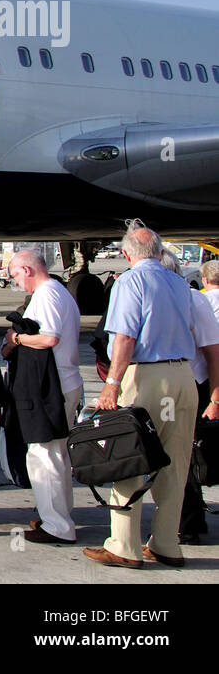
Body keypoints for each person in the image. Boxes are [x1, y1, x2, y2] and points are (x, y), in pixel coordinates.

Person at [83, 226, 219, 569]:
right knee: (174, 464)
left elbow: (125, 337)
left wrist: (112, 384)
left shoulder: (131, 281)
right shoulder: (180, 283)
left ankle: (124, 545)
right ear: (158, 251)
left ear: (128, 254)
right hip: (183, 377)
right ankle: (167, 544)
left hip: (146, 376)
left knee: (129, 456)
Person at [0, 250, 83, 544]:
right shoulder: (60, 291)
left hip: (51, 388)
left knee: (42, 455)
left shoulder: (46, 295)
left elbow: (48, 338)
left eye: (15, 275)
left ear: (27, 269)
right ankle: (59, 516)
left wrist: (16, 338)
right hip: (67, 382)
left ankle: (56, 525)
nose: (16, 282)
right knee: (57, 454)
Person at [160, 252, 219, 544]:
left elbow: (212, 351)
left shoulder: (195, 300)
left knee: (180, 453)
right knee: (175, 453)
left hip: (191, 386)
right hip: (170, 388)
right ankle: (186, 520)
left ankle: (188, 522)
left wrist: (216, 397)